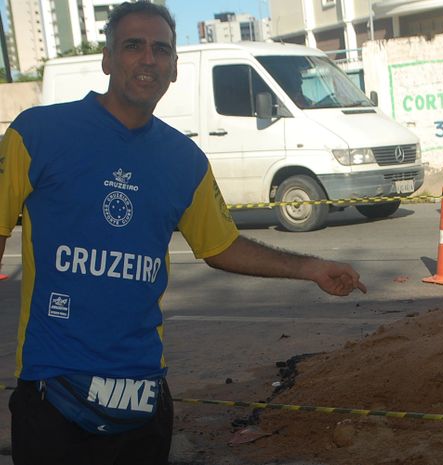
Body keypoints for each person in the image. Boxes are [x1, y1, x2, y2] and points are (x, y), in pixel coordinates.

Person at [0, 2, 366, 464]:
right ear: (108, 59)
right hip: (53, 394)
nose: (148, 59)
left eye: (161, 50)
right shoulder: (38, 134)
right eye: (133, 46)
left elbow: (222, 246)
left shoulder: (183, 160)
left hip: (143, 399)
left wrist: (312, 268)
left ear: (174, 68)